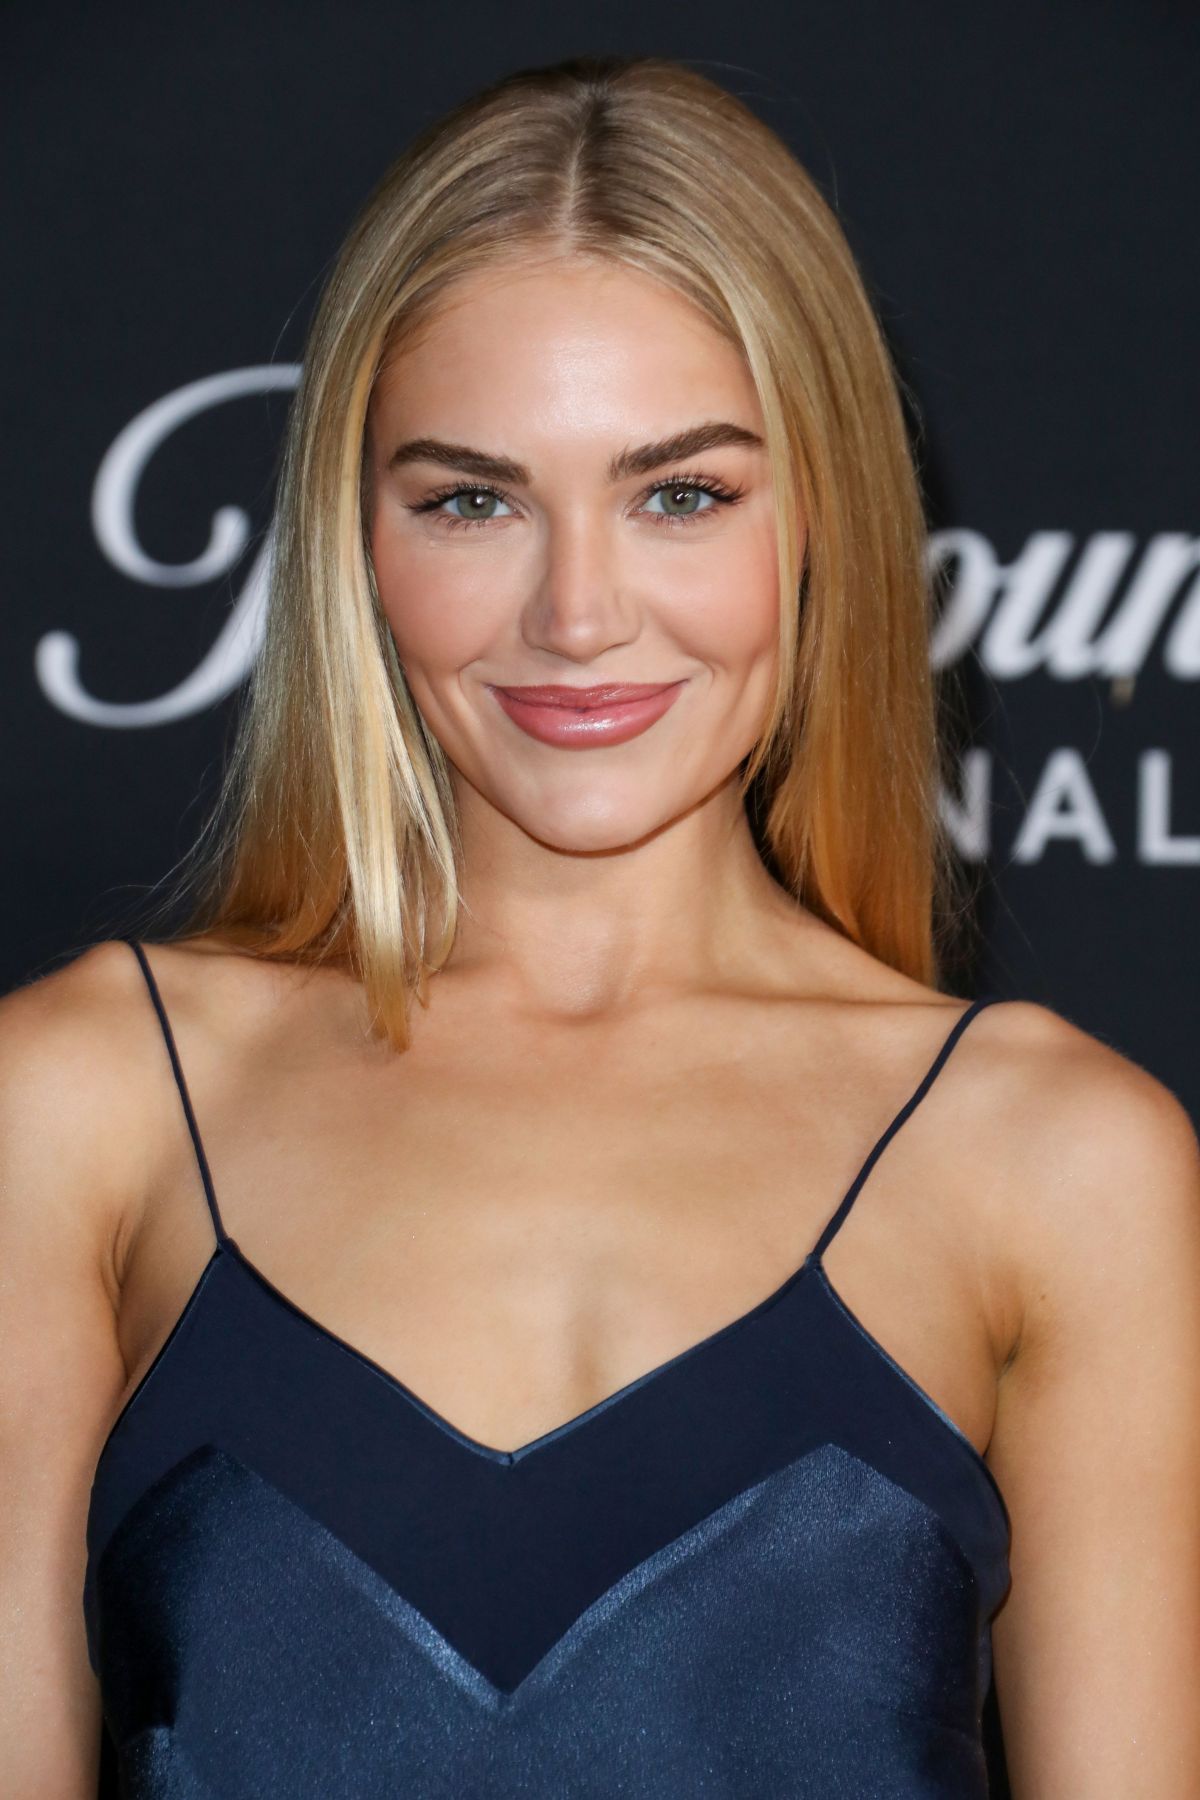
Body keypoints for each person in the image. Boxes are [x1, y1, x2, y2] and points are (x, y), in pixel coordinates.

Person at [3, 51, 1199, 1800]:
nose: (576, 613)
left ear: (823, 520)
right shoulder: (77, 1106)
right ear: (356, 541)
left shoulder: (1056, 1158)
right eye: (471, 500)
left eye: (682, 495)